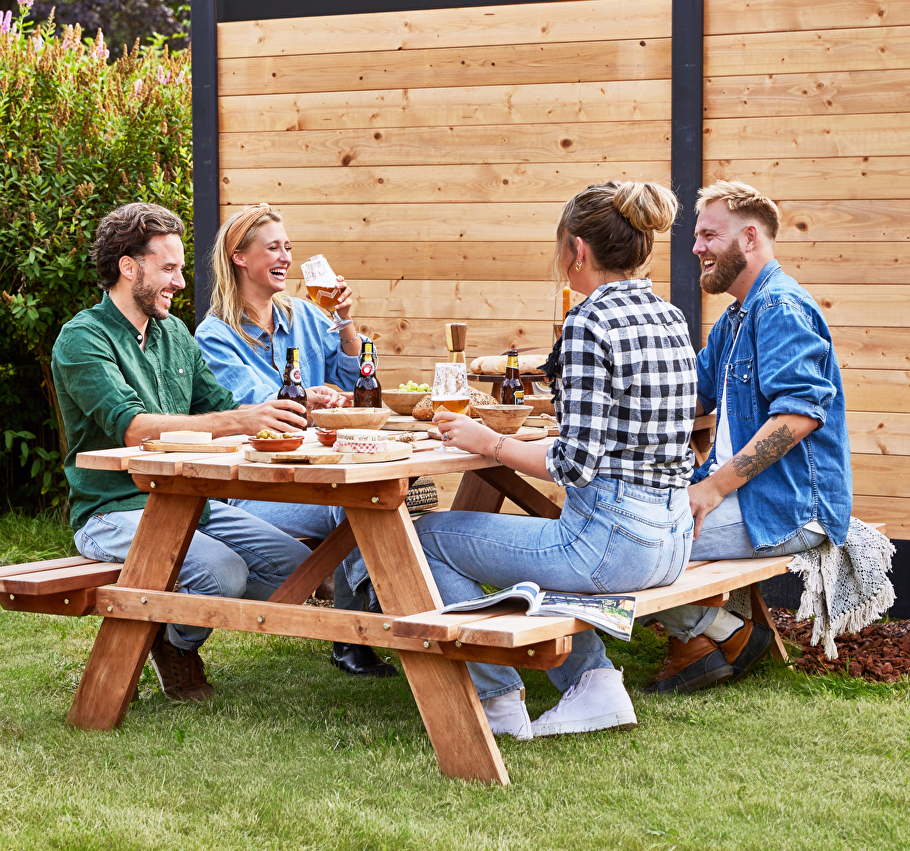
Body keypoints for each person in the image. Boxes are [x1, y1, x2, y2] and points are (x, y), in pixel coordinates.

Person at [415, 181, 698, 739]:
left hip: (612, 547)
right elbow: (617, 445)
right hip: (671, 540)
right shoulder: (670, 316)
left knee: (429, 536)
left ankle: (498, 701)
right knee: (521, 557)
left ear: (577, 251)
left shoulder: (589, 322)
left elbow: (574, 465)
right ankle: (595, 686)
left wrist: (485, 441)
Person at [51, 203, 314, 701]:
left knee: (298, 568)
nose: (178, 280)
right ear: (130, 267)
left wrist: (283, 418)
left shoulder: (174, 334)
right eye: (168, 268)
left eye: (179, 268)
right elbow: (133, 428)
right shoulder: (82, 338)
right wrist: (240, 420)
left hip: (192, 501)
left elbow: (222, 408)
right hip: (113, 510)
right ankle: (176, 643)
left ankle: (168, 622)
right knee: (223, 574)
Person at [645, 180, 852, 694]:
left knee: (638, 542)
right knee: (625, 516)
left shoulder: (780, 308)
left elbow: (798, 417)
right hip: (747, 495)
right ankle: (721, 633)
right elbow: (692, 397)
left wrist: (712, 488)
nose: (696, 248)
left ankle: (716, 636)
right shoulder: (736, 315)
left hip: (791, 508)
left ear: (750, 237)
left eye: (709, 235)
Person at [194, 204, 396, 678]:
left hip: (322, 471)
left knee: (373, 494)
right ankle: (354, 635)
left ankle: (379, 619)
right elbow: (258, 410)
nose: (286, 256)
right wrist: (313, 399)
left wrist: (345, 323)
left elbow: (357, 383)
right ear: (239, 256)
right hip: (255, 490)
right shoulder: (215, 335)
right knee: (355, 501)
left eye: (288, 247)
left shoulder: (308, 314)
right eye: (274, 248)